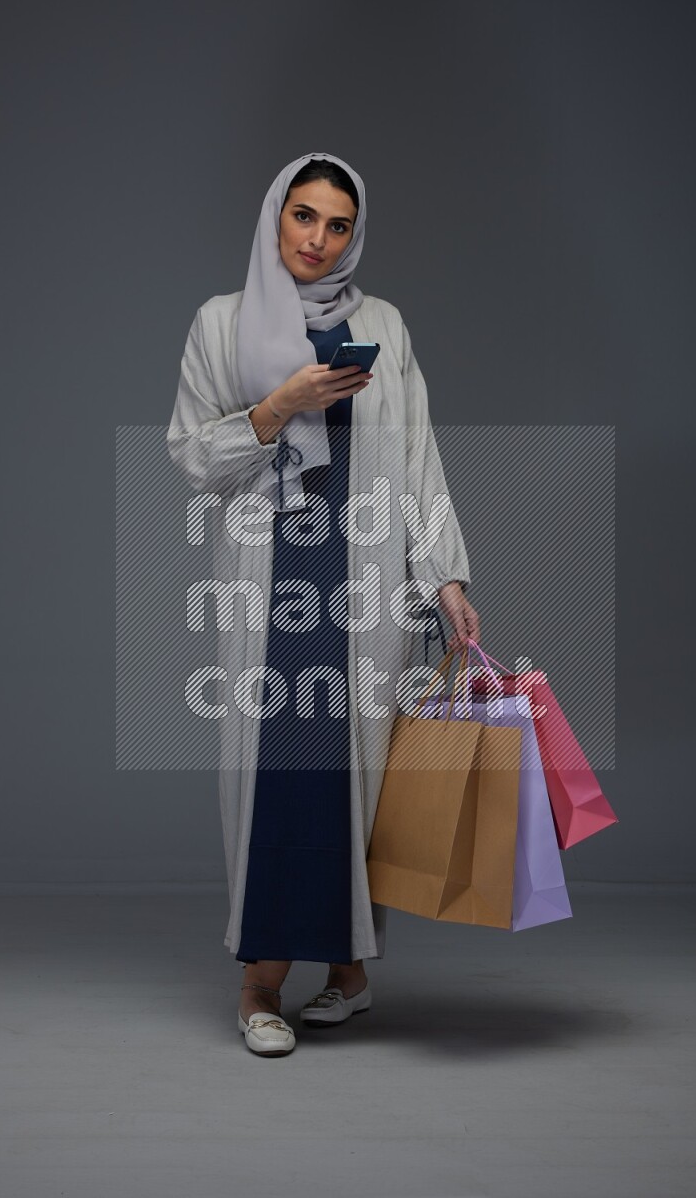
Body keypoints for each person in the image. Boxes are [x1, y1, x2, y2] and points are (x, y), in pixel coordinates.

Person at [167, 151, 480, 1057]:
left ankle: (349, 972)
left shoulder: (382, 323)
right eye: (303, 216)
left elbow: (418, 460)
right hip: (272, 589)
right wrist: (280, 406)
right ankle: (259, 982)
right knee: (276, 777)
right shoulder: (223, 326)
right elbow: (192, 457)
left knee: (363, 778)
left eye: (337, 224)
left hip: (368, 580)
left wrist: (447, 579)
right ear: (275, 219)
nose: (317, 238)